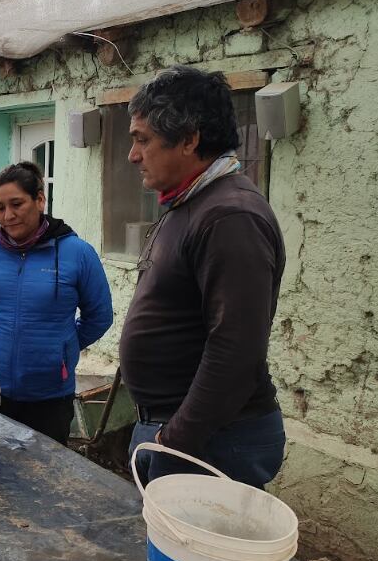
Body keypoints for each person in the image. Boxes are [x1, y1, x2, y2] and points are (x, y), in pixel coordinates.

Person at [121, 65, 286, 489]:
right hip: (186, 432)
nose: (132, 155)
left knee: (198, 556)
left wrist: (174, 440)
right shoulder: (192, 203)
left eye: (143, 139)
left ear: (190, 139)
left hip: (210, 439)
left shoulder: (229, 216)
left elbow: (235, 348)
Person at [0, 162, 113, 444]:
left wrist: (63, 348)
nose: (8, 215)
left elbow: (99, 316)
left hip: (50, 397)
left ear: (40, 200)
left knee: (47, 479)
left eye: (17, 204)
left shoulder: (77, 254)